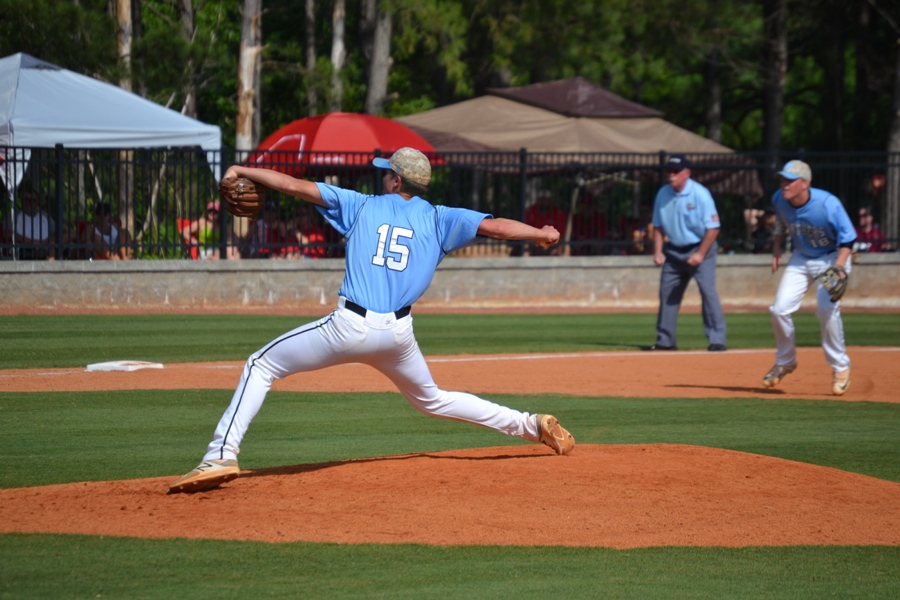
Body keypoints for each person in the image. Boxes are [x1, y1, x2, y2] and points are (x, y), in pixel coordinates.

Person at [170, 147, 574, 493]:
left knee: (261, 364)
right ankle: (531, 424)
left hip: (350, 326)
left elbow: (292, 185)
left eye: (388, 173)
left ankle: (220, 455)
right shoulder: (440, 218)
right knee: (433, 399)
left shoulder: (360, 204)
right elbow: (498, 228)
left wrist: (241, 169)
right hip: (398, 336)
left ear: (398, 181)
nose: (383, 178)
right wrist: (539, 233)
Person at [763, 160, 856, 395]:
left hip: (832, 256)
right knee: (779, 309)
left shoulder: (827, 204)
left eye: (790, 180)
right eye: (782, 179)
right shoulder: (779, 199)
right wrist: (776, 248)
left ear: (805, 183)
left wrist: (838, 267)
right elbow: (780, 225)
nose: (784, 184)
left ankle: (840, 367)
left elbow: (848, 239)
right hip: (801, 257)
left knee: (826, 309)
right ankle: (785, 362)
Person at [646, 154, 727, 352]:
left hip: (701, 248)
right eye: (670, 171)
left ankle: (717, 339)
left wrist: (700, 253)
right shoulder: (663, 194)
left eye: (676, 171)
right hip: (673, 251)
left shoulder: (700, 194)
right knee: (667, 293)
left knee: (707, 292)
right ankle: (665, 340)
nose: (671, 175)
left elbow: (713, 227)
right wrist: (658, 252)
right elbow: (657, 226)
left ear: (687, 173)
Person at [13, 190, 56, 260]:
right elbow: (8, 233)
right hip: (22, 249)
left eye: (32, 200)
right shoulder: (14, 215)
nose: (28, 203)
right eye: (25, 200)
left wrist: (46, 242)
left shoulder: (44, 216)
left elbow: (55, 231)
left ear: (37, 202)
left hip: (44, 248)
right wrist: (31, 242)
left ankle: (51, 258)